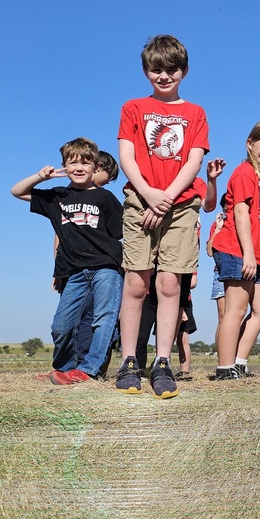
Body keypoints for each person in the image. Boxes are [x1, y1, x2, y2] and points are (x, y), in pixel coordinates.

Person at [114, 35, 213, 399]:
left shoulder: (196, 113)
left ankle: (163, 362)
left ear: (183, 71)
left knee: (170, 284)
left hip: (180, 204)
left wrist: (167, 198)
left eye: (171, 69)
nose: (164, 75)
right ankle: (128, 362)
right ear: (146, 71)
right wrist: (149, 195)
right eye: (156, 69)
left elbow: (194, 160)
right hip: (141, 199)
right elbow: (127, 156)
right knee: (137, 283)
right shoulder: (133, 108)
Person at [11, 137, 123, 384]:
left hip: (106, 268)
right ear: (64, 166)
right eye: (72, 163)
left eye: (86, 163)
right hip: (74, 272)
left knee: (103, 319)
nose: (79, 168)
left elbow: (120, 233)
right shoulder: (57, 196)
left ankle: (88, 370)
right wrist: (42, 177)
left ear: (96, 166)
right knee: (61, 326)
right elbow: (17, 191)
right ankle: (63, 368)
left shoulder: (106, 198)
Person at [210, 122, 260, 380]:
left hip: (258, 255)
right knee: (236, 309)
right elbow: (240, 213)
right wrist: (249, 254)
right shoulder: (244, 173)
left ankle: (239, 362)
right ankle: (224, 369)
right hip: (238, 250)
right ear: (249, 144)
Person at [205, 187, 231, 330]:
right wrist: (217, 230)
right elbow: (209, 252)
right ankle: (223, 352)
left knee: (236, 316)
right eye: (226, 209)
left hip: (239, 270)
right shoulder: (216, 226)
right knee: (223, 316)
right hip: (220, 273)